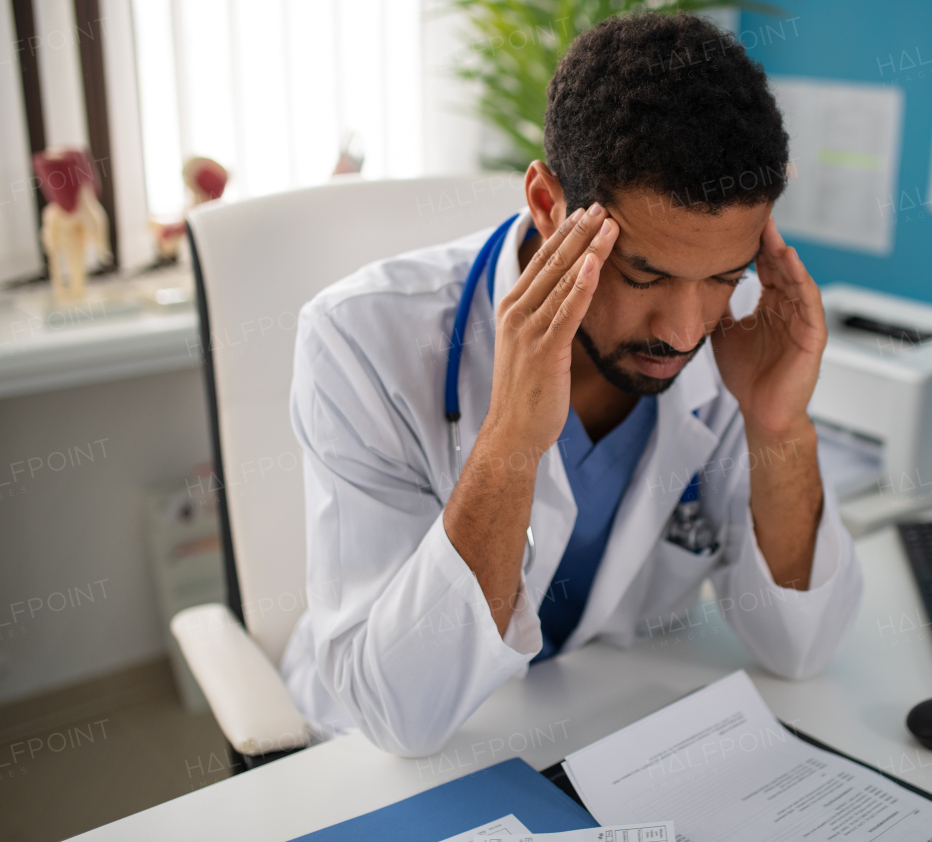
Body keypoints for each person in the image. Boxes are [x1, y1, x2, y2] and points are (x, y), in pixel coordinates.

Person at [280, 11, 863, 757]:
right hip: (367, 760)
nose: (685, 331)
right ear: (549, 205)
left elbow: (802, 648)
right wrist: (512, 441)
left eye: (723, 274)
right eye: (643, 273)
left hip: (594, 730)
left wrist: (779, 425)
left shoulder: (744, 338)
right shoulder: (363, 340)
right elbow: (400, 716)